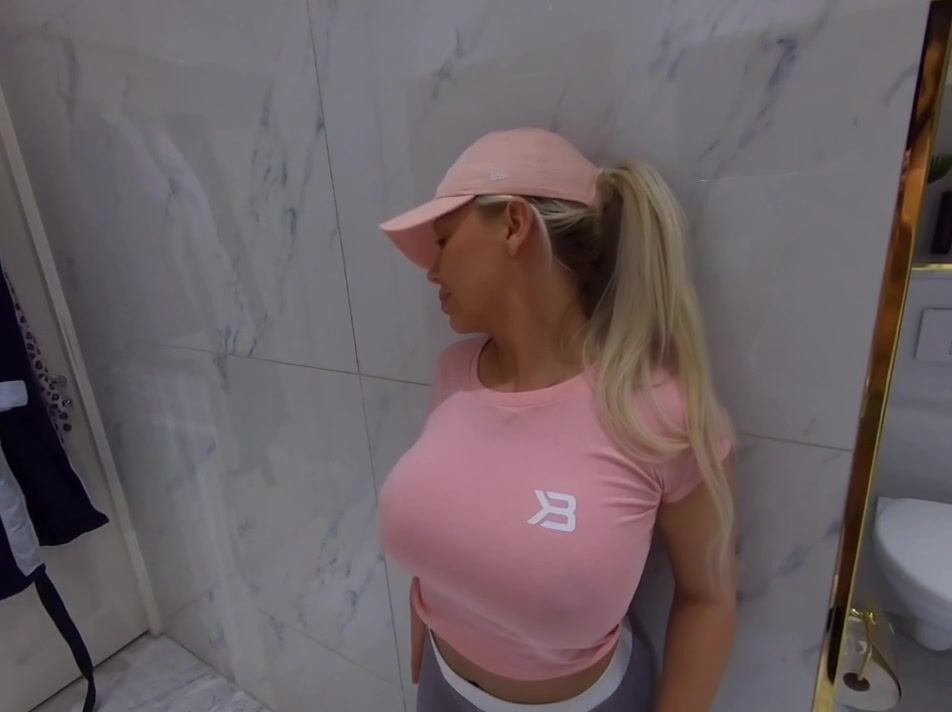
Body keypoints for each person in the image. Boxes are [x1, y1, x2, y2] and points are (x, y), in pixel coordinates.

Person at [378, 128, 737, 712]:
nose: (431, 270)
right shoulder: (453, 374)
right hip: (442, 689)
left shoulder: (658, 411)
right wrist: (427, 614)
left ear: (514, 225)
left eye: (443, 240)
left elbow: (708, 598)